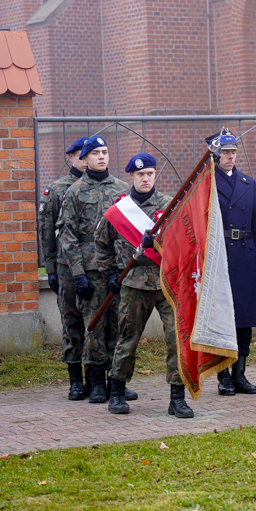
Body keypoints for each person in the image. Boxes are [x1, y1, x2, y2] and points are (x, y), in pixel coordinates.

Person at [95, 153, 194, 418]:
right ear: (132, 176)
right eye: (141, 174)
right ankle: (116, 392)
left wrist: (160, 244)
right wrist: (110, 275)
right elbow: (101, 243)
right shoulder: (120, 208)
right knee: (128, 339)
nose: (146, 178)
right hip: (133, 284)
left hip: (166, 283)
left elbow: (184, 242)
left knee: (177, 339)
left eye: (150, 173)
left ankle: (177, 398)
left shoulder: (169, 205)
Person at [56, 136, 130, 404]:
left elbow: (129, 232)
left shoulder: (122, 189)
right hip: (89, 269)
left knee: (118, 325)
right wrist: (77, 272)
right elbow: (68, 236)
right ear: (84, 159)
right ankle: (96, 382)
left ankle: (116, 381)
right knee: (94, 325)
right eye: (96, 153)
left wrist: (123, 267)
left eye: (105, 152)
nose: (102, 157)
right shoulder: (74, 192)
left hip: (117, 268)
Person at [211, 129, 256, 396]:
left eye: (233, 152)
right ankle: (223, 375)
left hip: (245, 255)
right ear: (216, 155)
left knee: (244, 318)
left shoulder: (248, 183)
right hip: (220, 256)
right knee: (221, 318)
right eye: (225, 152)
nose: (230, 157)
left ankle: (241, 374)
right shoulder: (207, 182)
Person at [38, 136, 88, 399]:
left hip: (95, 266)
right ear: (69, 158)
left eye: (87, 154)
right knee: (71, 323)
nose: (84, 159)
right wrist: (51, 270)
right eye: (79, 155)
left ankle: (99, 379)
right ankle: (75, 380)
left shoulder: (103, 186)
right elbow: (47, 233)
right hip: (66, 267)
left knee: (100, 324)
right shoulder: (57, 190)